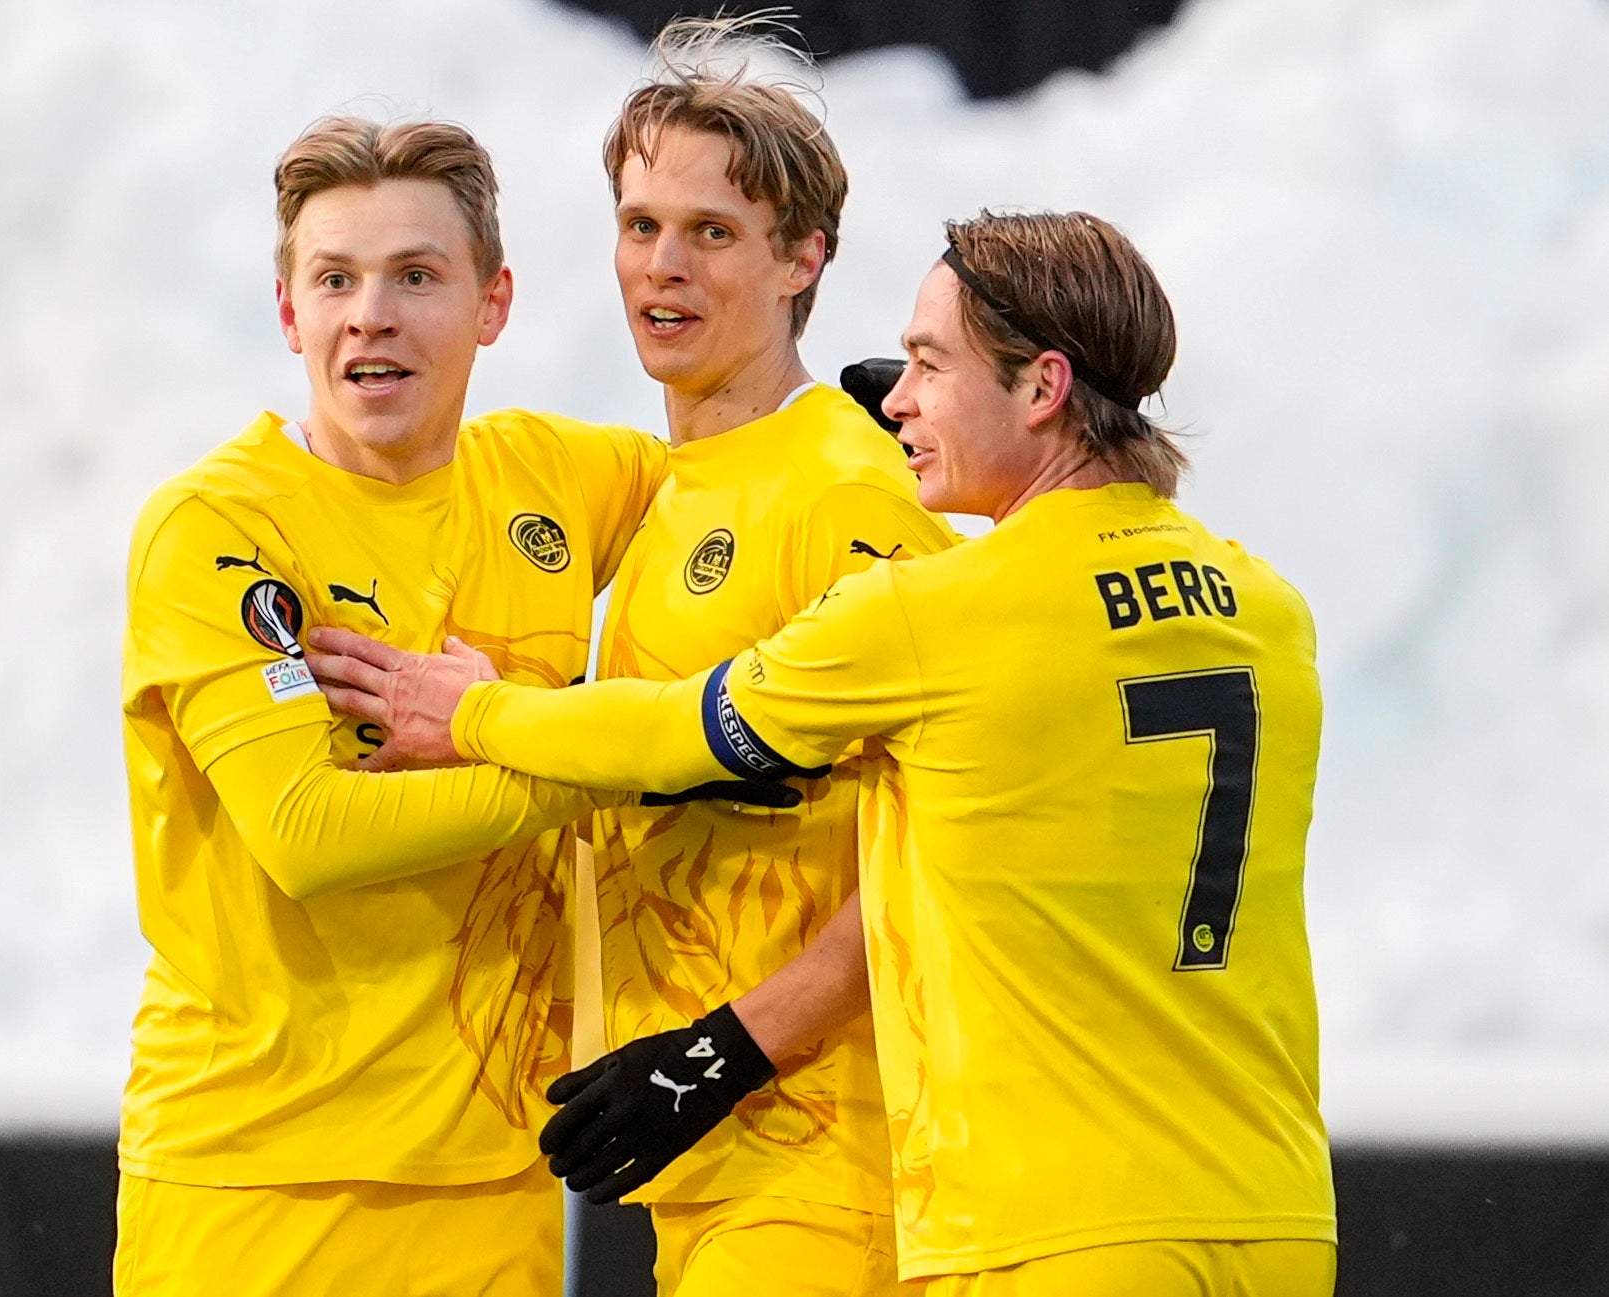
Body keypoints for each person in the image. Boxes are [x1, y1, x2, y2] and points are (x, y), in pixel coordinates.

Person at [309, 210, 1338, 1296]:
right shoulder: (1270, 613)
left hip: (1057, 1228)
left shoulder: (935, 617)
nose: (894, 397)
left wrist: (474, 711)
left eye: (930, 366)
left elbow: (674, 732)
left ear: (1040, 389)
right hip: (1270, 1205)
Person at [364, 19, 953, 1296]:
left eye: (711, 232)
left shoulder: (840, 485)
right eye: (639, 226)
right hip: (714, 1168)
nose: (661, 268)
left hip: (822, 1162)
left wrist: (717, 1056)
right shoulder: (684, 486)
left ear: (805, 257)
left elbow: (928, 849)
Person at [113, 115, 677, 1296]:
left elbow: (754, 487)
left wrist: (881, 424)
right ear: (290, 315)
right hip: (254, 1180)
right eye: (334, 279)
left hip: (493, 1186)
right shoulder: (218, 527)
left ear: (492, 303)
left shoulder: (559, 481)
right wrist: (596, 752)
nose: (371, 312)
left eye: (416, 276)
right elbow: (307, 832)